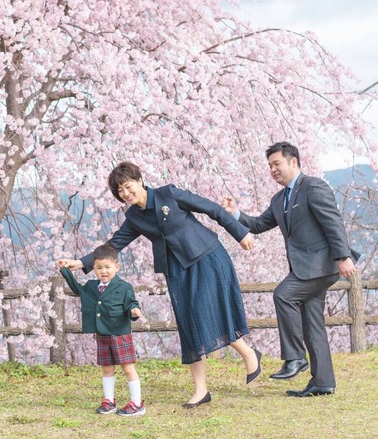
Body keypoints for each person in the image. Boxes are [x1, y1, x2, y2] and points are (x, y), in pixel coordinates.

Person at [58, 162, 263, 408]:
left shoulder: (170, 194)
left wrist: (240, 233)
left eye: (127, 186)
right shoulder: (134, 217)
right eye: (120, 191)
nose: (125, 193)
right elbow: (114, 245)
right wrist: (81, 263)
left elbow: (213, 210)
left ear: (140, 179)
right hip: (176, 270)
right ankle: (201, 390)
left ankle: (249, 353)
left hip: (206, 257)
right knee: (189, 324)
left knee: (208, 312)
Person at [223, 142, 359, 397]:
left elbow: (333, 222)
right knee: (312, 321)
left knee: (283, 294)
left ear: (293, 162)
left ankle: (295, 357)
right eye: (270, 166)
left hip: (322, 265)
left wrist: (343, 256)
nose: (273, 169)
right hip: (306, 269)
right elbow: (259, 224)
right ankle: (323, 381)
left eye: (277, 164)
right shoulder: (279, 199)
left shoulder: (313, 186)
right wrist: (235, 213)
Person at [60, 245, 146, 417]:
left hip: (120, 333)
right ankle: (109, 401)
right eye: (99, 268)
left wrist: (134, 311)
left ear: (116, 267)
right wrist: (65, 270)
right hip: (102, 333)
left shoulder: (124, 286)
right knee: (107, 369)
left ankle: (137, 403)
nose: (103, 271)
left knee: (127, 368)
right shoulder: (92, 286)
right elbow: (77, 289)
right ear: (94, 269)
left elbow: (131, 303)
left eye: (107, 267)